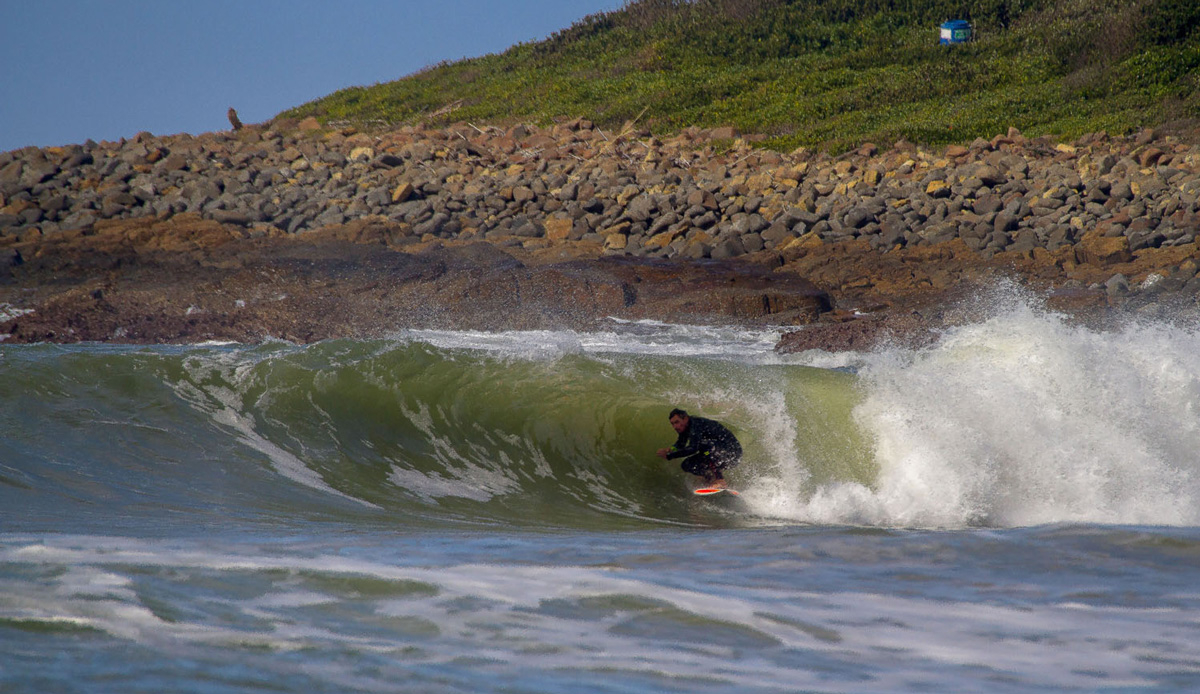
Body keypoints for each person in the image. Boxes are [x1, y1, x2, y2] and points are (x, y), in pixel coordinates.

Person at [656, 408, 742, 488]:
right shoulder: (685, 428)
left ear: (685, 419)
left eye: (677, 422)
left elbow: (693, 448)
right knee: (687, 465)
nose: (675, 426)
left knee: (705, 448)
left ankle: (720, 480)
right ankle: (709, 479)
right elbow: (680, 444)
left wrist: (670, 456)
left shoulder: (696, 425)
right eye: (672, 424)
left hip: (731, 453)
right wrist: (670, 450)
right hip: (714, 454)